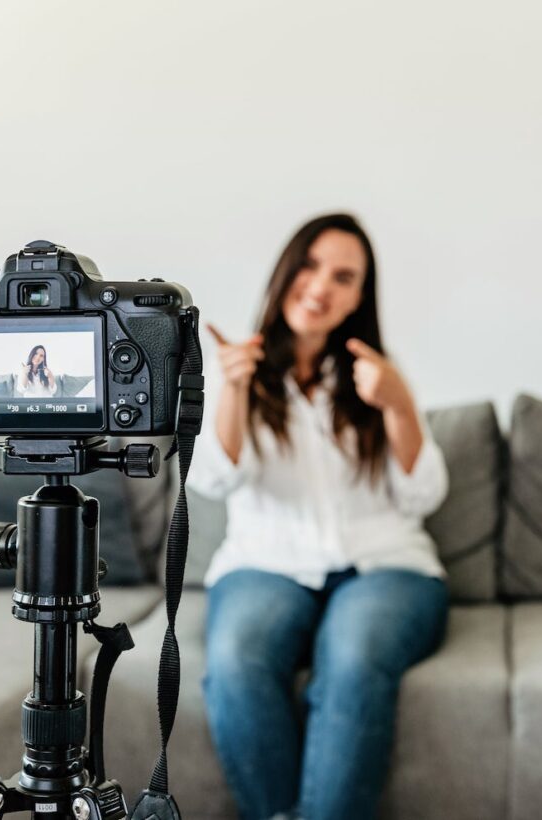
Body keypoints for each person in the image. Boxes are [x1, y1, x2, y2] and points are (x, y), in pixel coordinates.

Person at [189, 213, 450, 820]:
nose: (320, 286)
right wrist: (235, 391)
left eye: (343, 277)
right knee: (234, 661)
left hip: (386, 567)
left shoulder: (378, 377)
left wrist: (400, 405)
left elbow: (422, 494)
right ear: (286, 272)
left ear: (360, 296)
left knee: (354, 658)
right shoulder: (242, 371)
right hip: (266, 565)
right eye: (310, 266)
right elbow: (215, 478)